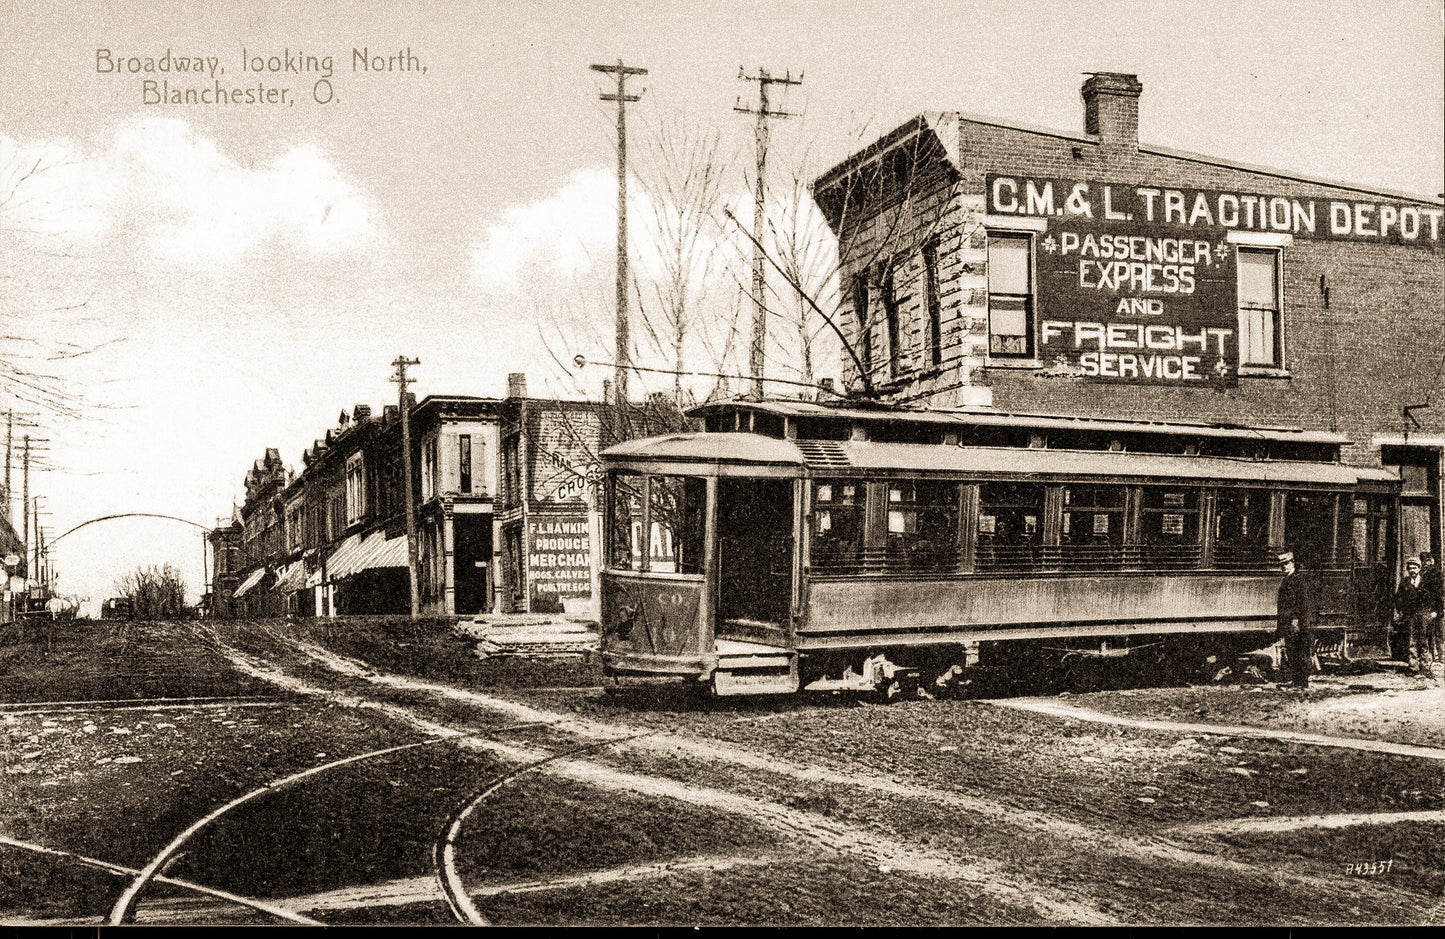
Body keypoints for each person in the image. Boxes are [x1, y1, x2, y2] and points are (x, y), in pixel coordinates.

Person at [1275, 551, 1316, 689]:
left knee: (1299, 651)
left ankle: (1302, 682)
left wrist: (1296, 620)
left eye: (1286, 563)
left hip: (1296, 622)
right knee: (1292, 651)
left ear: (1293, 563)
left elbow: (1302, 602)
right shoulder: (1287, 579)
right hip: (1289, 622)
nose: (1284, 567)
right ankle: (1296, 680)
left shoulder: (1298, 579)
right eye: (1282, 565)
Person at [1394, 556, 1438, 680]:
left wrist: (1434, 611)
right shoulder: (1404, 582)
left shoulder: (1426, 582)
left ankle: (1425, 667)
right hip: (1410, 615)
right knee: (1411, 641)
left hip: (1424, 614)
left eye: (1414, 568)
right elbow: (1398, 598)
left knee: (1424, 641)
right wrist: (1401, 611)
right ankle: (1413, 667)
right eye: (1410, 568)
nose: (1412, 570)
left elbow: (1434, 596)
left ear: (1419, 569)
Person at [1420, 552, 1443, 663]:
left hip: (1435, 607)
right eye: (1424, 561)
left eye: (1427, 561)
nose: (1426, 563)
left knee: (1437, 632)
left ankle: (1440, 655)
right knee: (1430, 632)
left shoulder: (1436, 573)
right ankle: (1433, 655)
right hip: (1427, 606)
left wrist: (1438, 610)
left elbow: (1439, 594)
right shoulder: (1422, 573)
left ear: (1431, 561)